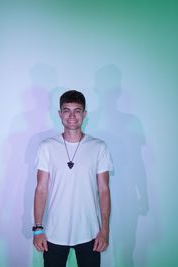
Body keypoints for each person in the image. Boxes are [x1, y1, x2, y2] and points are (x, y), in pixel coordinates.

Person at [32, 90, 114, 267]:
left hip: (90, 232)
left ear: (84, 114)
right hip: (55, 232)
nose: (72, 116)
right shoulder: (47, 147)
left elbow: (104, 190)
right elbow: (41, 189)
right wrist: (37, 229)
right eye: (66, 110)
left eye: (77, 110)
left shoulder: (98, 147)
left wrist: (105, 230)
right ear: (59, 114)